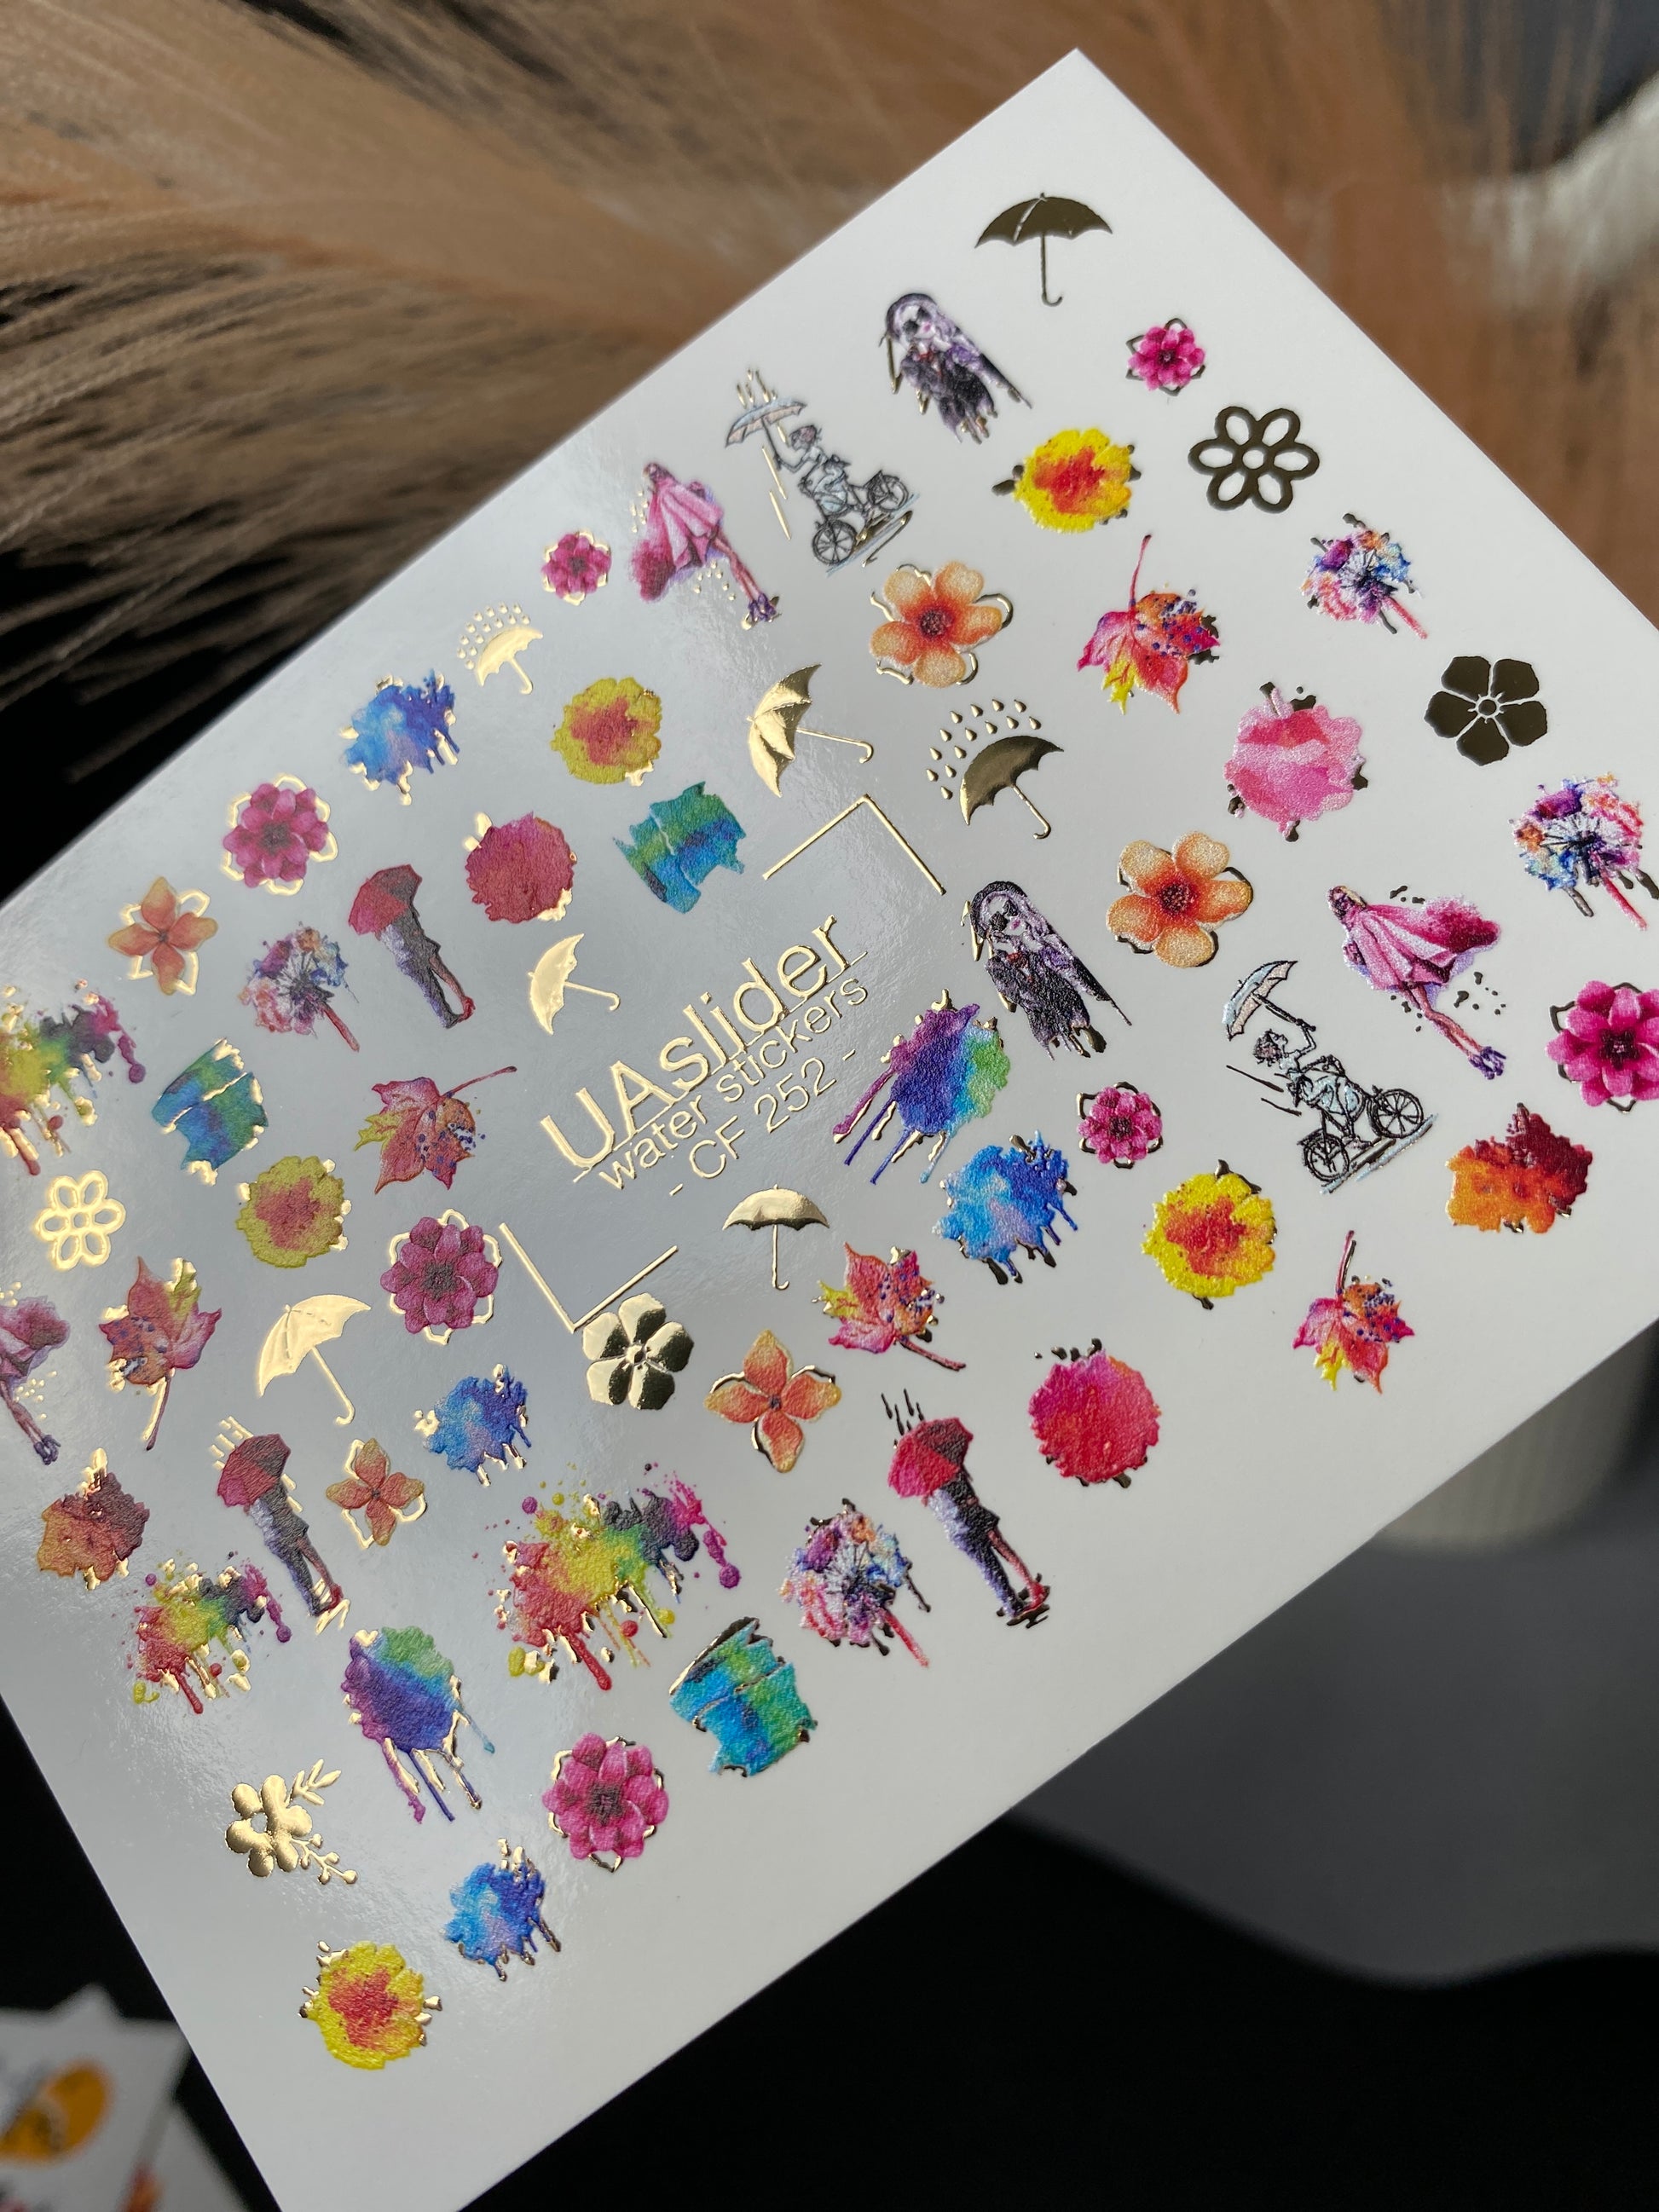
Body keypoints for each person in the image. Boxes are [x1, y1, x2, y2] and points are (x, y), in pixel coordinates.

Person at [1329, 884, 1505, 1077]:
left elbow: (1388, 943)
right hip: (1393, 976)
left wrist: (1403, 970)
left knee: (1429, 1013)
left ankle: (1479, 1050)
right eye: (1339, 902)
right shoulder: (1352, 925)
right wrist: (1357, 957)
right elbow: (1371, 953)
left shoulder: (1366, 917)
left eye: (1345, 897)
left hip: (1402, 970)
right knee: (1429, 1016)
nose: (1344, 903)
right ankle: (1470, 1055)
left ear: (1351, 896)